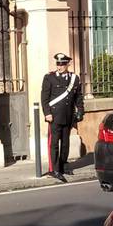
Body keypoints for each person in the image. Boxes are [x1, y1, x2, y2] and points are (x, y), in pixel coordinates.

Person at [41, 53, 84, 182]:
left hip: (68, 116)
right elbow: (44, 98)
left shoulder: (74, 79)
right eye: (58, 64)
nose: (60, 67)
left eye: (62, 64)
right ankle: (54, 169)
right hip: (54, 116)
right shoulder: (49, 78)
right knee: (54, 143)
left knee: (65, 143)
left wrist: (80, 111)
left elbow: (78, 97)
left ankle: (62, 166)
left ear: (67, 65)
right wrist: (47, 113)